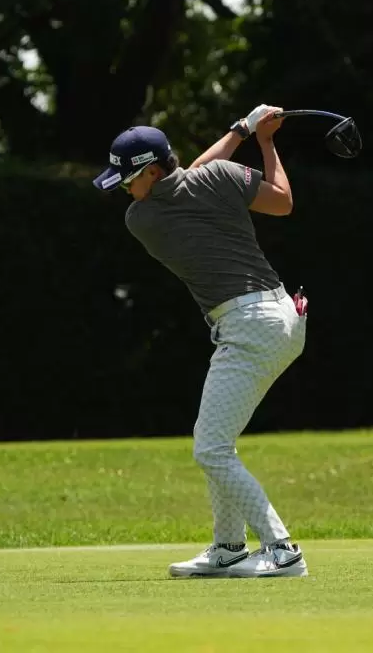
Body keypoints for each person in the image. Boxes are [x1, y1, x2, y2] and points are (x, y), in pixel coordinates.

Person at [93, 105, 308, 578]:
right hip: (280, 316)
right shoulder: (217, 178)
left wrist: (246, 131)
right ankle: (229, 546)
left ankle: (283, 550)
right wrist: (260, 139)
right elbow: (281, 201)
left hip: (249, 326)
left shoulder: (142, 217)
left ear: (151, 171)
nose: (124, 189)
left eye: (127, 179)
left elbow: (193, 174)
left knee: (210, 450)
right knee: (218, 444)